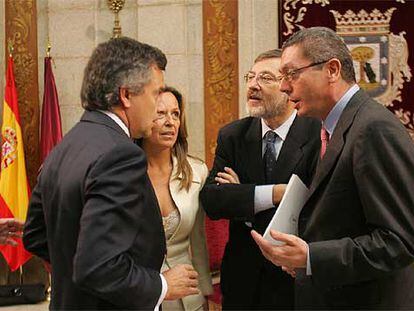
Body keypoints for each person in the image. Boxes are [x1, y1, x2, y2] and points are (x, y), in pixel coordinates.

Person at [23, 37, 199, 310]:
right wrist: (162, 285)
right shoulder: (121, 155)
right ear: (126, 95)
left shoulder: (65, 146)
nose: (156, 108)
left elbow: (35, 235)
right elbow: (97, 267)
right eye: (155, 94)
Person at [252, 27, 414, 309]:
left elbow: (399, 242)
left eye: (292, 74)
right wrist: (302, 257)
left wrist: (312, 257)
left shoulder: (373, 129)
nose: (283, 86)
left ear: (332, 69)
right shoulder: (327, 128)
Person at [200, 49, 320, 310]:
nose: (253, 85)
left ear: (288, 86)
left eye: (265, 78)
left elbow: (314, 205)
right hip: (243, 282)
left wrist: (242, 194)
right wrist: (277, 193)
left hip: (294, 282)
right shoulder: (233, 135)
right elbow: (212, 200)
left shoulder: (316, 134)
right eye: (250, 77)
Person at [140, 86, 213, 310]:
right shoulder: (124, 174)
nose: (170, 122)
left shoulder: (197, 171)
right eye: (160, 114)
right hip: (141, 292)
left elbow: (199, 241)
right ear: (142, 119)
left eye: (175, 114)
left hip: (187, 294)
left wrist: (207, 291)